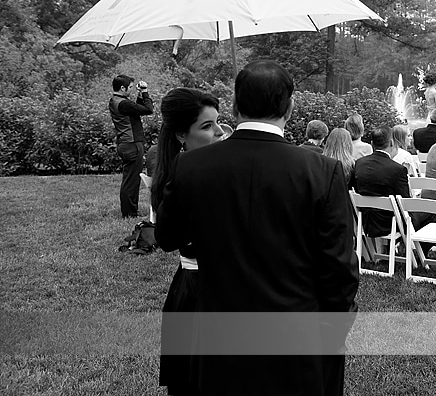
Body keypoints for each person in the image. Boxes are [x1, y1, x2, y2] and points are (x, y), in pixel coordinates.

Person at [155, 60, 359, 396]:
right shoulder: (323, 172)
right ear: (290, 108)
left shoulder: (192, 166)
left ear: (234, 108)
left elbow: (167, 236)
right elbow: (339, 269)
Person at [150, 88, 225, 396]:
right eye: (207, 126)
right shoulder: (178, 177)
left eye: (219, 122)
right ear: (182, 134)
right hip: (197, 292)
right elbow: (167, 239)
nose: (219, 131)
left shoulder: (222, 167)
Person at [352, 126, 411, 237]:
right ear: (392, 143)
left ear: (372, 144)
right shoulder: (398, 169)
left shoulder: (359, 163)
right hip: (390, 223)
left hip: (364, 221)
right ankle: (418, 250)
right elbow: (405, 202)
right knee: (427, 215)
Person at [109, 74, 154, 219]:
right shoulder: (124, 104)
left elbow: (137, 109)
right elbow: (148, 109)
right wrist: (145, 92)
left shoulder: (116, 101)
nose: (131, 90)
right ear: (122, 88)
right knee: (131, 180)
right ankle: (129, 213)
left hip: (125, 143)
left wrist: (140, 94)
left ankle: (130, 210)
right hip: (132, 144)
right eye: (129, 87)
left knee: (130, 178)